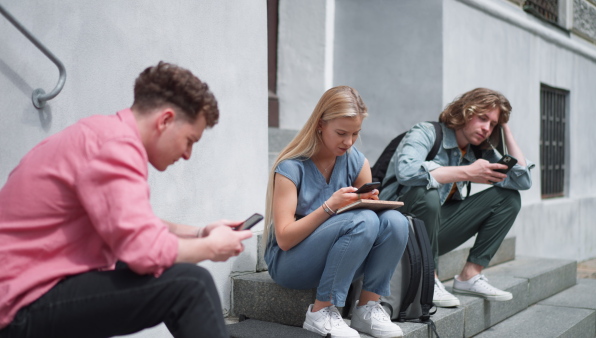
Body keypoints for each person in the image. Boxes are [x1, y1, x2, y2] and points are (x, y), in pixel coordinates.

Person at [0, 61, 252, 338]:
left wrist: (200, 232)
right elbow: (144, 252)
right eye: (190, 140)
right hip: (19, 304)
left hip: (31, 288)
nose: (188, 154)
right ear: (165, 120)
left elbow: (133, 224)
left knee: (156, 271)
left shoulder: (103, 134)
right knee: (193, 285)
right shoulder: (115, 147)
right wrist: (210, 248)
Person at [263, 86, 409, 338]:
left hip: (343, 255)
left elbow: (374, 220)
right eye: (341, 133)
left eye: (355, 133)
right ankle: (321, 311)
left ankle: (367, 308)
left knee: (395, 221)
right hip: (290, 263)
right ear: (320, 124)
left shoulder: (356, 161)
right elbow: (285, 239)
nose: (349, 142)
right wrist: (331, 207)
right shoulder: (291, 167)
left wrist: (370, 201)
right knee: (362, 220)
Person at [379, 88, 533, 308]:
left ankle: (470, 276)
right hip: (396, 228)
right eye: (482, 118)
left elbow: (522, 181)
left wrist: (506, 128)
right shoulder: (426, 132)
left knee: (509, 198)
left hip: (432, 232)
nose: (486, 129)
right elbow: (408, 171)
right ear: (465, 111)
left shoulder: (476, 151)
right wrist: (468, 172)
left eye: (493, 124)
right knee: (428, 191)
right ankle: (428, 278)